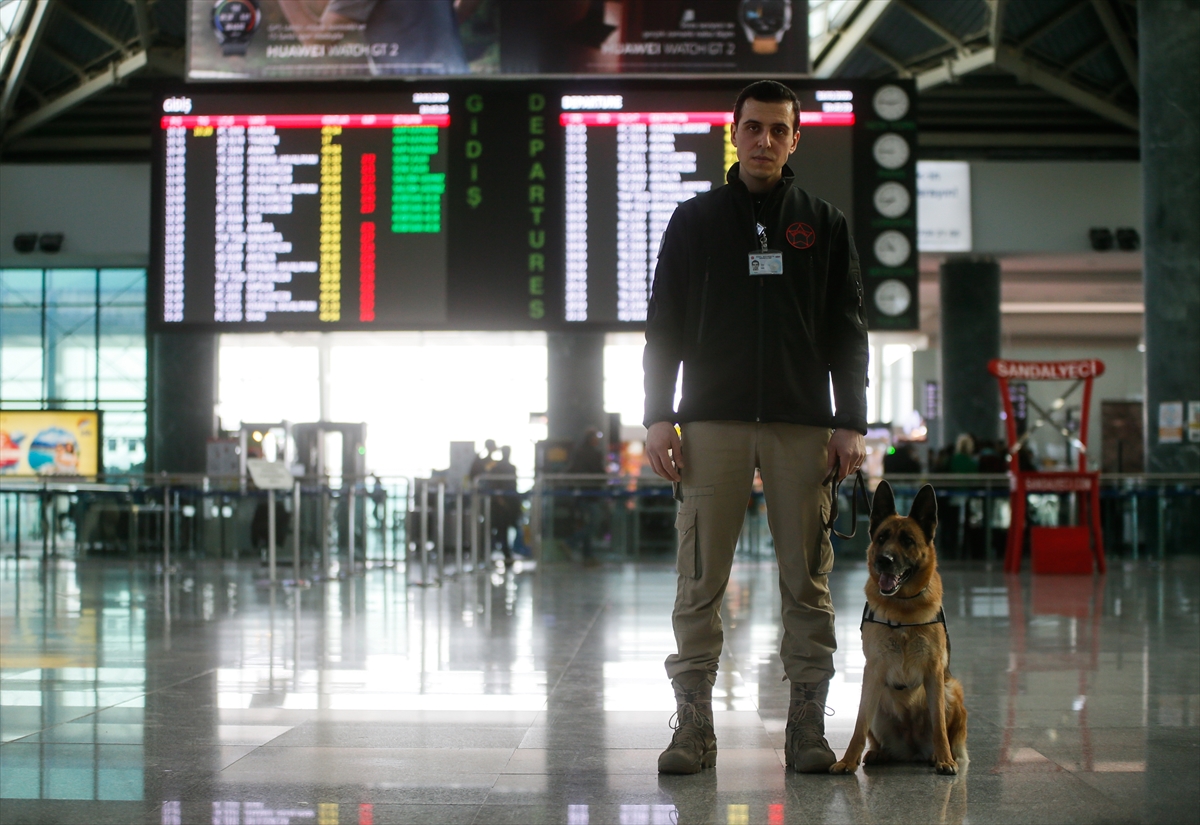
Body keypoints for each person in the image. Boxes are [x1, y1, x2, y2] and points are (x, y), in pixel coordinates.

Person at [643, 80, 868, 775]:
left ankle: (805, 726)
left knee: (808, 579)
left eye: (779, 129)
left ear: (796, 138)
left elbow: (847, 330)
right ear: (733, 133)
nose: (765, 140)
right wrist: (657, 412)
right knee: (700, 576)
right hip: (711, 419)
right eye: (754, 128)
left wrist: (849, 421)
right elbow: (665, 325)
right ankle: (695, 727)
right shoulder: (695, 221)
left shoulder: (824, 224)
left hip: (803, 423)